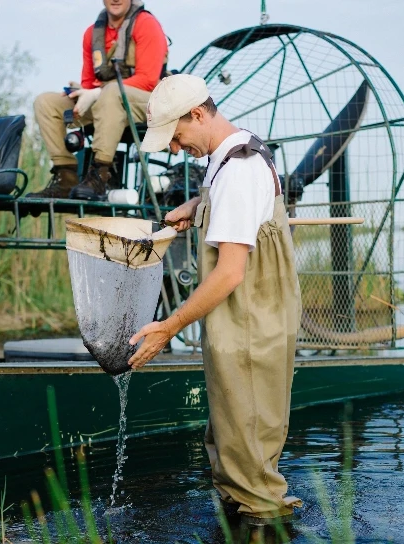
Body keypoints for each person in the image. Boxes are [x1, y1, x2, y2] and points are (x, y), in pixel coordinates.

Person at [128, 74, 303, 526]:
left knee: (249, 447)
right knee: (230, 432)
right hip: (244, 317)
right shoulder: (233, 150)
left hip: (249, 318)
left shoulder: (239, 171)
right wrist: (196, 205)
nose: (173, 148)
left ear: (199, 114)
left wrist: (167, 327)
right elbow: (229, 195)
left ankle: (266, 525)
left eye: (176, 135)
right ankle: (238, 515)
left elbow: (229, 273)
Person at [27, 0, 168, 201]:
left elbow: (148, 80)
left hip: (147, 103)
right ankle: (65, 176)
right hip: (108, 101)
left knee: (111, 92)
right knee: (46, 102)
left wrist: (96, 93)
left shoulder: (146, 23)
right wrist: (81, 93)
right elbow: (89, 83)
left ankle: (99, 175)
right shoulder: (92, 34)